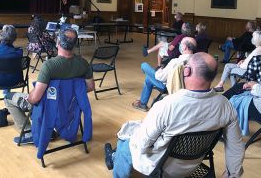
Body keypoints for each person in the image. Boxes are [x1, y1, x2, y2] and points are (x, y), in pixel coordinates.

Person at [105, 52, 245, 178]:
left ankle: (115, 158)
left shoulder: (168, 105)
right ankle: (115, 156)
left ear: (187, 71)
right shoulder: (225, 106)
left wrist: (131, 134)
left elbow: (141, 144)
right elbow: (236, 144)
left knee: (126, 142)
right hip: (192, 166)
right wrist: (233, 173)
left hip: (162, 167)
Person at [4, 28, 94, 145]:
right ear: (75, 44)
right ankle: (53, 129)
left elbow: (35, 98)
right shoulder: (83, 64)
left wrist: (29, 96)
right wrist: (70, 93)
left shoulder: (49, 66)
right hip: (70, 106)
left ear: (57, 42)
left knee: (8, 98)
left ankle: (29, 132)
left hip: (49, 107)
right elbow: (90, 86)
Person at [133, 37, 197, 111]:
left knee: (144, 65)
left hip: (168, 86)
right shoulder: (196, 60)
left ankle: (142, 103)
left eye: (181, 44)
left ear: (185, 47)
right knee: (148, 79)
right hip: (184, 87)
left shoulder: (176, 62)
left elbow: (160, 77)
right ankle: (142, 104)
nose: (179, 45)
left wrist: (160, 70)